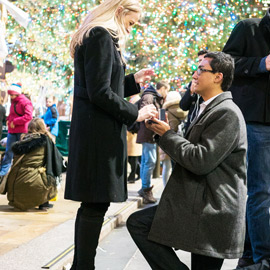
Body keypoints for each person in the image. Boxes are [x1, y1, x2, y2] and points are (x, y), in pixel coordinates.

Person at [127, 52, 247, 270]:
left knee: (139, 224)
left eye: (202, 69)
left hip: (212, 209)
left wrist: (167, 135)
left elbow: (200, 160)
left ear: (218, 77)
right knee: (139, 223)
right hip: (198, 203)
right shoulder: (207, 107)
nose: (195, 74)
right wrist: (163, 133)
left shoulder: (227, 112)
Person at [64, 1, 157, 269]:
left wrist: (132, 80)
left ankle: (81, 266)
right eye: (131, 21)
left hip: (96, 132)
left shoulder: (96, 35)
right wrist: (135, 113)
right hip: (98, 136)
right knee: (95, 205)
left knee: (93, 205)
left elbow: (103, 86)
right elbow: (100, 92)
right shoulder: (101, 35)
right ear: (119, 11)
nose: (132, 28)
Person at [223, 8, 270, 269]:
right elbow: (225, 63)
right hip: (257, 121)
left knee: (260, 192)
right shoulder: (248, 27)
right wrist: (261, 63)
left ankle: (251, 254)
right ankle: (264, 257)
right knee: (260, 191)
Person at [6, 118, 63, 211]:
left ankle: (23, 200)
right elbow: (54, 162)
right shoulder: (46, 140)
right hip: (34, 182)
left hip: (15, 183)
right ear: (42, 127)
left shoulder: (22, 140)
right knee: (49, 176)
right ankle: (43, 203)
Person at [136, 81, 169, 203]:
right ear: (163, 88)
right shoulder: (150, 96)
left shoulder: (154, 97)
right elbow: (144, 111)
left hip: (149, 133)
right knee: (149, 161)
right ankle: (145, 189)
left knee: (147, 161)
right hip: (148, 133)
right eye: (167, 90)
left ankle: (145, 187)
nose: (167, 93)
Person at [0, 83, 33, 178]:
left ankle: (20, 174)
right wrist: (8, 119)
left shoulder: (25, 102)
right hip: (12, 131)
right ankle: (2, 174)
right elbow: (12, 113)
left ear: (16, 93)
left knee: (21, 152)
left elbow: (28, 116)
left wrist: (15, 121)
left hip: (22, 131)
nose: (10, 96)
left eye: (11, 94)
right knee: (8, 152)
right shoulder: (13, 101)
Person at [160, 91, 187, 186]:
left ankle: (165, 189)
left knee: (166, 167)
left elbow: (160, 126)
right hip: (182, 142)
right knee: (178, 169)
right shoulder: (185, 109)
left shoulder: (164, 111)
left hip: (168, 140)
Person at [180, 50, 208, 133]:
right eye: (199, 60)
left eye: (204, 60)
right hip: (190, 127)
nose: (201, 63)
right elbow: (183, 106)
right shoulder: (193, 80)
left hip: (204, 127)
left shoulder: (212, 80)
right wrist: (190, 92)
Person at [127, 94, 142, 183]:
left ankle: (133, 175)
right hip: (131, 133)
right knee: (131, 156)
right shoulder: (133, 100)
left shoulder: (137, 100)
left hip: (133, 132)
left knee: (133, 157)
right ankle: (136, 173)